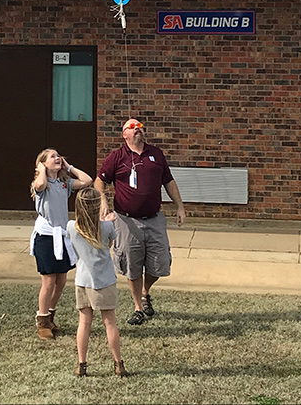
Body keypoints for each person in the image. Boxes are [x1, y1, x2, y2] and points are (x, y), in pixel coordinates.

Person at [94, 118, 185, 326]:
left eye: (140, 127)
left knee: (160, 264)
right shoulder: (116, 157)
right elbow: (99, 181)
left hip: (154, 219)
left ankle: (145, 291)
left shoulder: (156, 154)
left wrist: (180, 206)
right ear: (124, 134)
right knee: (131, 265)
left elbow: (169, 181)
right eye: (132, 128)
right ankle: (138, 307)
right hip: (126, 221)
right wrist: (103, 202)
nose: (138, 130)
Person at [30, 148, 92, 340]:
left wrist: (69, 167)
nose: (57, 158)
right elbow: (40, 183)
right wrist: (41, 169)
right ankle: (42, 321)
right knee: (48, 282)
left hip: (62, 236)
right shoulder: (41, 184)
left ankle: (50, 314)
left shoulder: (64, 183)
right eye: (52, 157)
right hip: (46, 238)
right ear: (43, 163)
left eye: (59, 156)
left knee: (61, 280)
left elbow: (88, 181)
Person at [66, 187, 127, 378]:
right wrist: (106, 221)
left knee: (84, 323)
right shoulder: (107, 227)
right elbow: (108, 245)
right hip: (105, 280)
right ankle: (118, 364)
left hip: (83, 280)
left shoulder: (71, 227)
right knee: (110, 323)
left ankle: (81, 364)